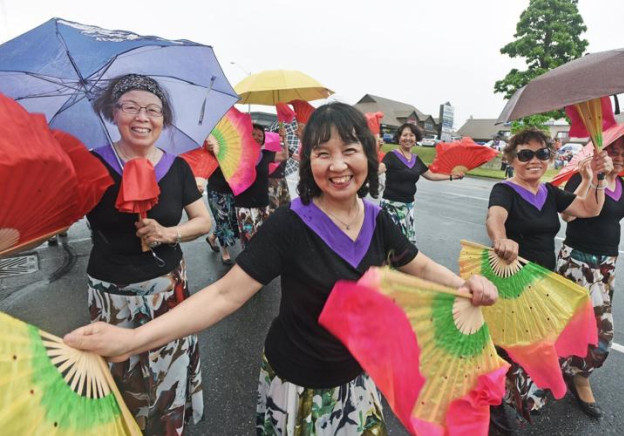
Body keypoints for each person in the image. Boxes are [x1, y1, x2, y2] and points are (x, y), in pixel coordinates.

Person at [65, 102, 498, 435]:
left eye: (350, 150)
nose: (338, 165)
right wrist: (134, 337)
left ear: (368, 156)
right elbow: (223, 295)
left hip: (359, 379)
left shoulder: (376, 217)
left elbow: (416, 265)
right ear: (308, 162)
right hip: (298, 385)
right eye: (322, 152)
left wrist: (466, 284)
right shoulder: (291, 223)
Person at [87, 74, 211, 435]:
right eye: (131, 107)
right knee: (118, 375)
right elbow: (57, 212)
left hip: (167, 292)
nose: (142, 117)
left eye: (153, 109)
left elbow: (202, 222)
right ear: (113, 113)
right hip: (111, 295)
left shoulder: (178, 167)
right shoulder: (92, 165)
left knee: (166, 372)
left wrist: (168, 233)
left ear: (164, 119)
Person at [485, 127, 612, 430]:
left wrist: (598, 177)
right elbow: (495, 218)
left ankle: (523, 394)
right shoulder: (504, 190)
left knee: (538, 340)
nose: (534, 160)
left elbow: (589, 209)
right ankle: (495, 399)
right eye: (525, 154)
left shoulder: (549, 192)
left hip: (543, 280)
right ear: (511, 159)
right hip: (512, 279)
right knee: (510, 342)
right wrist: (501, 239)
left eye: (542, 153)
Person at [556, 136, 624, 418]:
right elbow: (568, 215)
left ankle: (569, 370)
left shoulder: (621, 185)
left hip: (607, 266)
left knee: (585, 325)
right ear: (602, 151)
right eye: (616, 150)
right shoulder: (584, 177)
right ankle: (579, 377)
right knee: (599, 331)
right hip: (577, 261)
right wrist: (594, 177)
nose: (622, 156)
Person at [379, 123, 463, 244]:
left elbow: (431, 176)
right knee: (393, 244)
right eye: (404, 135)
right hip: (392, 207)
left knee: (405, 245)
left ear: (416, 139)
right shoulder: (391, 156)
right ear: (399, 138)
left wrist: (452, 177)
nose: (408, 138)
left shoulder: (416, 159)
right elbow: (381, 168)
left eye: (411, 135)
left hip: (408, 207)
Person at [233, 124, 287, 248]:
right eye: (254, 134)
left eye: (260, 135)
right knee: (248, 238)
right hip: (243, 204)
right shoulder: (237, 154)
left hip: (262, 203)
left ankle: (259, 263)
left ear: (263, 139)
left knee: (262, 236)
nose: (257, 137)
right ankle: (248, 264)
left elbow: (284, 156)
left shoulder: (266, 154)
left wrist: (284, 140)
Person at [203, 139, 239, 265]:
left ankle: (212, 238)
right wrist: (213, 152)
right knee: (222, 221)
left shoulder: (235, 152)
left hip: (232, 191)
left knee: (231, 219)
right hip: (215, 191)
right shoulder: (210, 152)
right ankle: (225, 252)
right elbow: (204, 167)